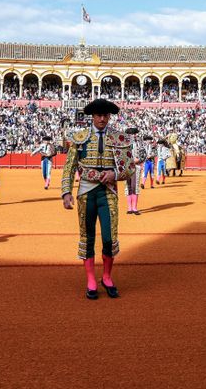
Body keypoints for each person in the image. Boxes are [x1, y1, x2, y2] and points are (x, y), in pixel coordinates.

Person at [61, 99, 135, 299]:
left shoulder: (120, 138)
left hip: (108, 192)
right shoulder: (80, 138)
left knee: (110, 238)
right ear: (92, 116)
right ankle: (91, 280)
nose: (102, 118)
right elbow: (69, 166)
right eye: (98, 115)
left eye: (105, 115)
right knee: (88, 237)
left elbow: (130, 168)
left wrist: (115, 174)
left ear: (109, 116)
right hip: (86, 192)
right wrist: (66, 192)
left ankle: (107, 277)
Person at [124, 127, 144, 215]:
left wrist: (138, 159)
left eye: (134, 134)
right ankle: (129, 208)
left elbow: (144, 155)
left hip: (136, 166)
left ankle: (134, 208)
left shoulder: (139, 144)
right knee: (128, 186)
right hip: (127, 166)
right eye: (130, 134)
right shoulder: (124, 144)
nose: (132, 135)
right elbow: (120, 155)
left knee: (135, 186)